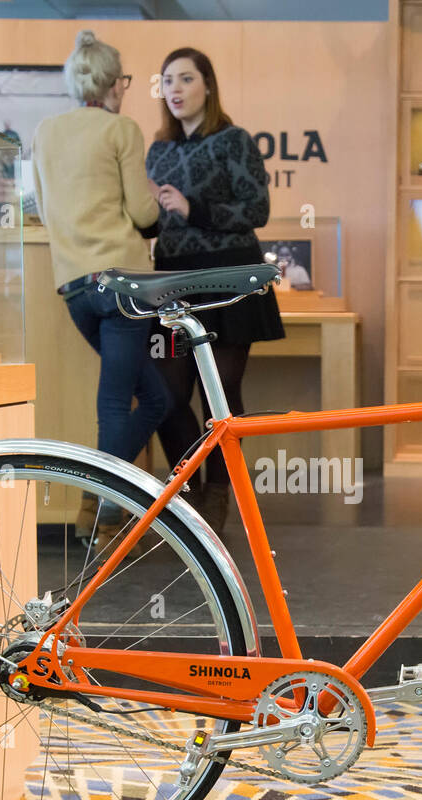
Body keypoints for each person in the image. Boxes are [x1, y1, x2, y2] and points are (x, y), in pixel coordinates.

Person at [32, 30, 170, 549]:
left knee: (157, 399)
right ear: (114, 83)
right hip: (123, 286)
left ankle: (98, 498)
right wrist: (159, 199)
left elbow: (44, 212)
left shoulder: (46, 131)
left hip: (74, 288)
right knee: (115, 404)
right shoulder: (122, 130)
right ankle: (106, 513)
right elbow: (142, 212)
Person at [147, 47, 284, 531]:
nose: (176, 89)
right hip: (172, 281)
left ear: (207, 84)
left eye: (186, 79)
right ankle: (192, 490)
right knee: (165, 396)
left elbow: (257, 211)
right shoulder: (157, 150)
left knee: (219, 394)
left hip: (227, 278)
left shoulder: (234, 140)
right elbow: (149, 222)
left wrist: (193, 208)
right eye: (167, 81)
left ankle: (221, 496)